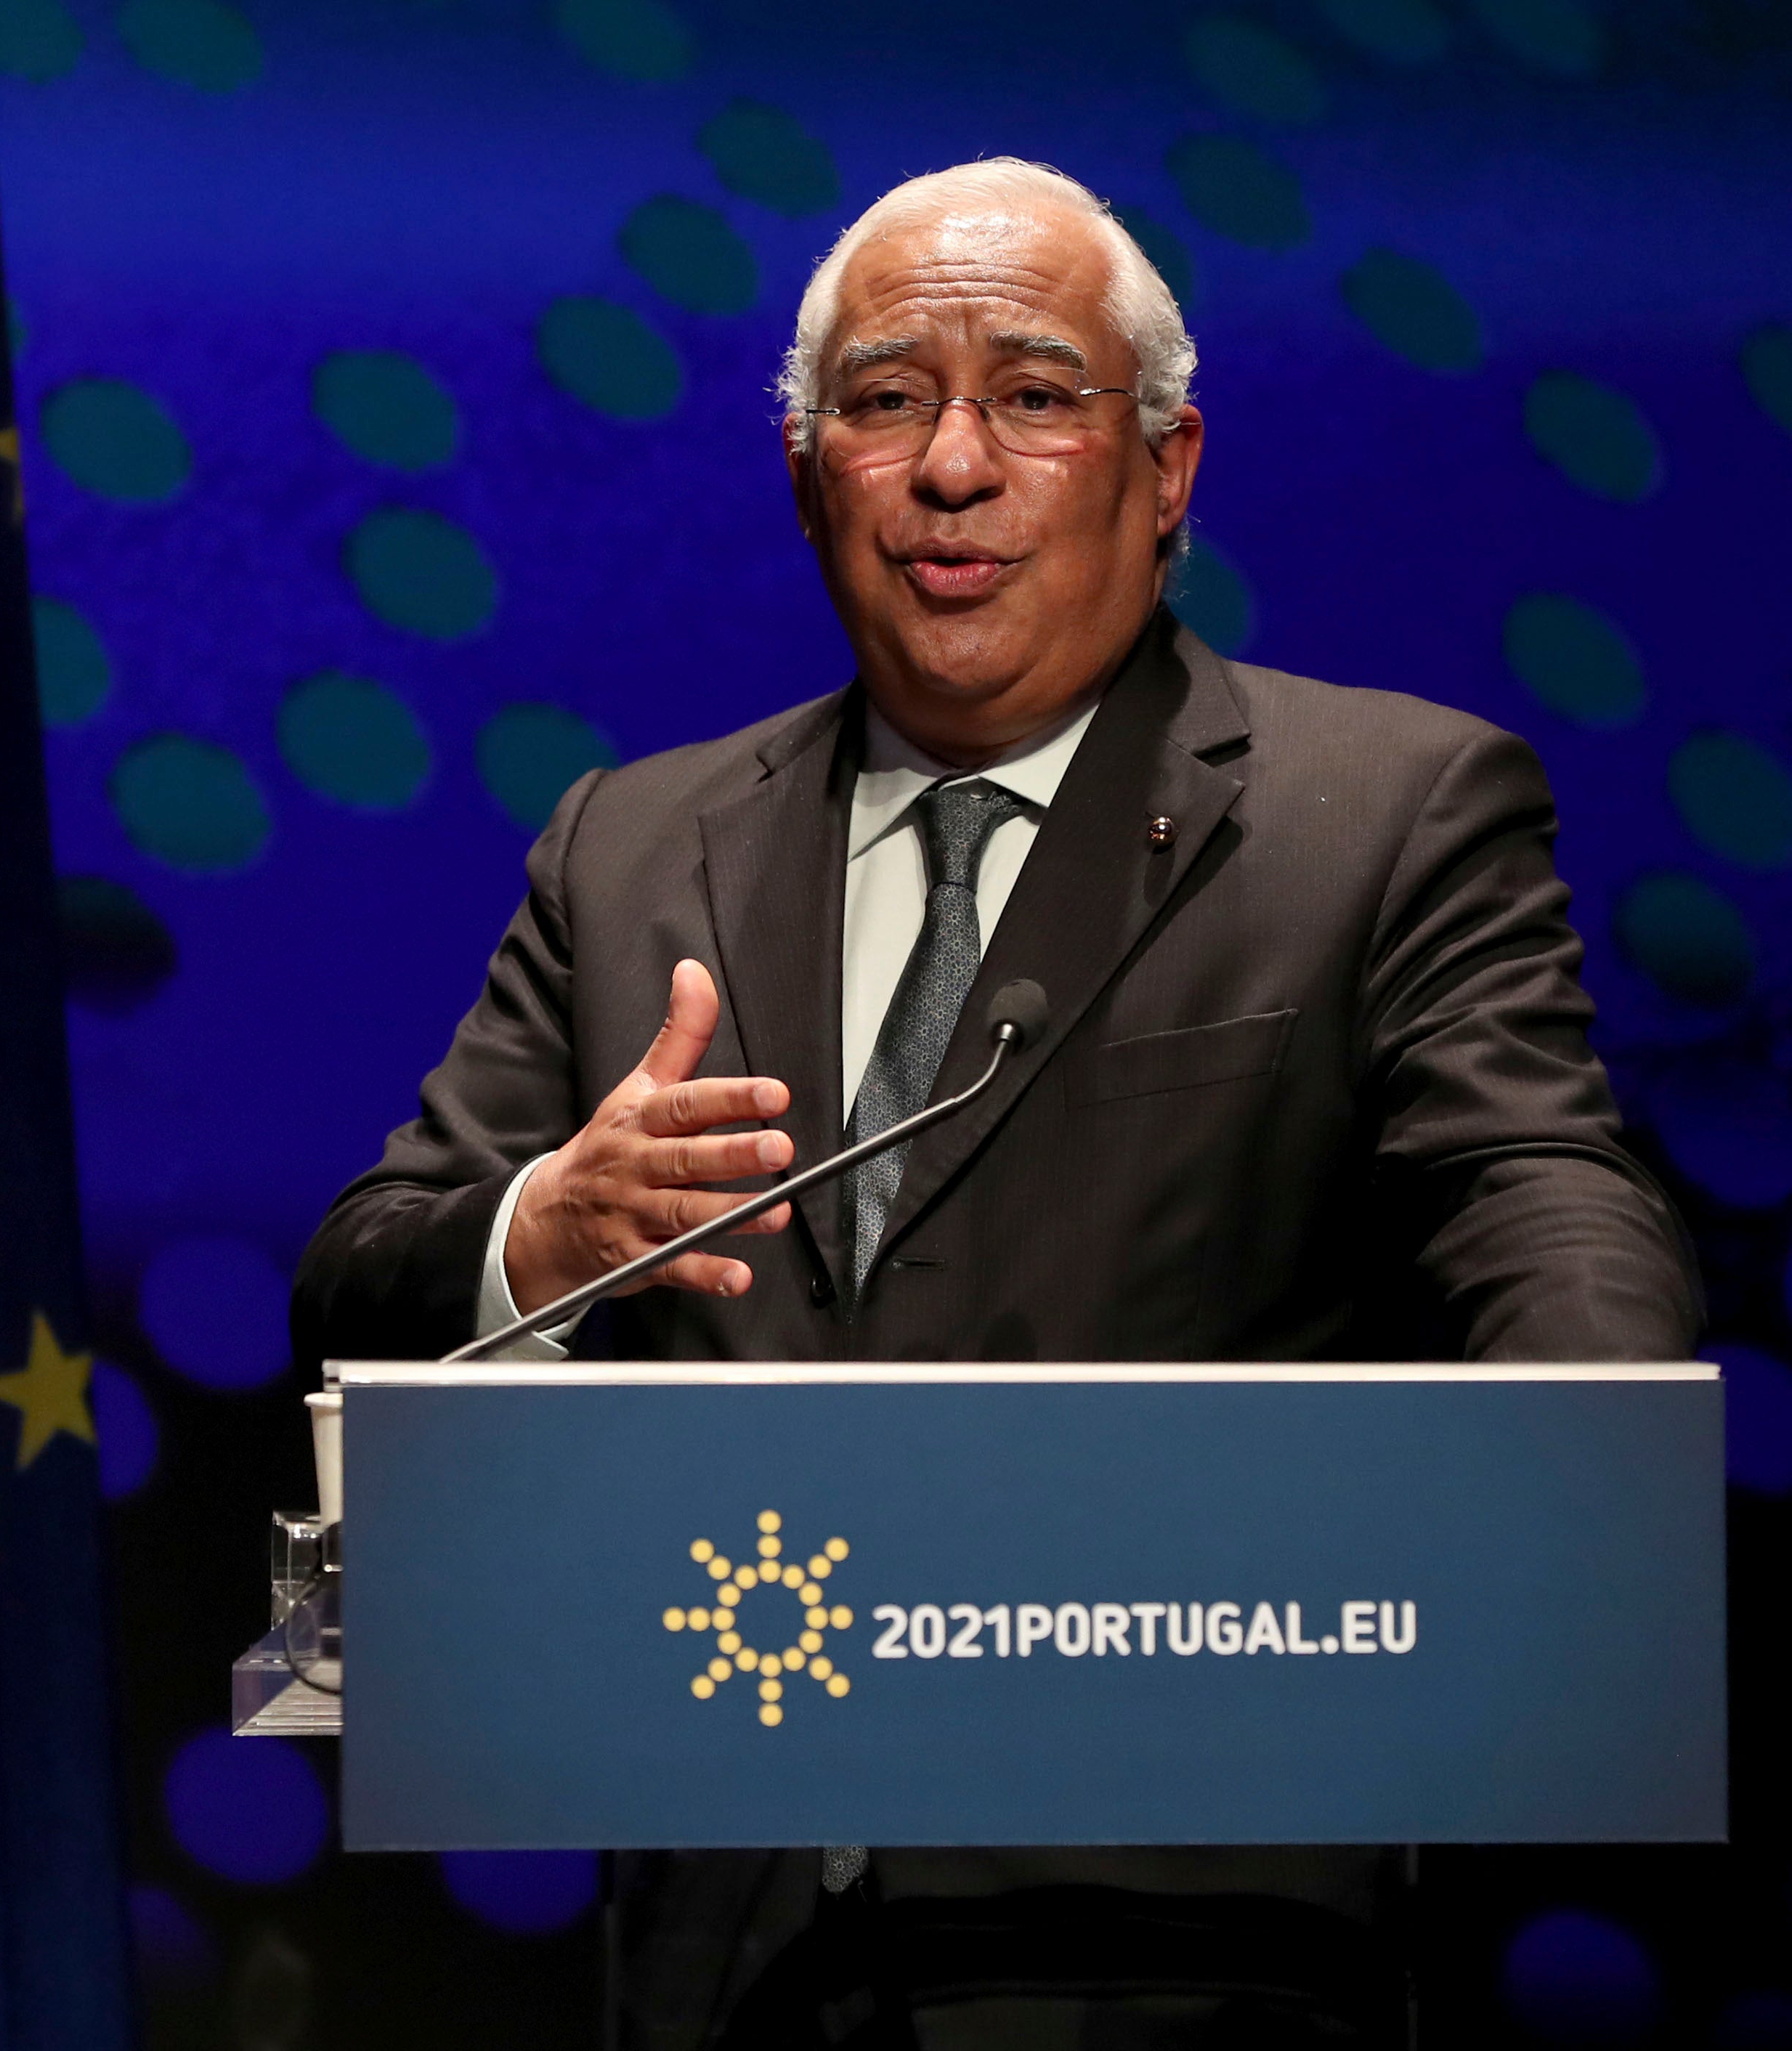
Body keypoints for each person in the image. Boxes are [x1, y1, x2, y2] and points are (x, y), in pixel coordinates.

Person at [289, 158, 1699, 2048]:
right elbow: (364, 1276)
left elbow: (1530, 1182)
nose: (954, 467)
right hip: (731, 1963)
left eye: (1035, 397)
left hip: (1188, 1958)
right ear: (805, 471)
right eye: (884, 402)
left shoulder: (1380, 814)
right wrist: (538, 1231)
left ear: (1168, 468)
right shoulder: (629, 850)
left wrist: (1580, 1466)